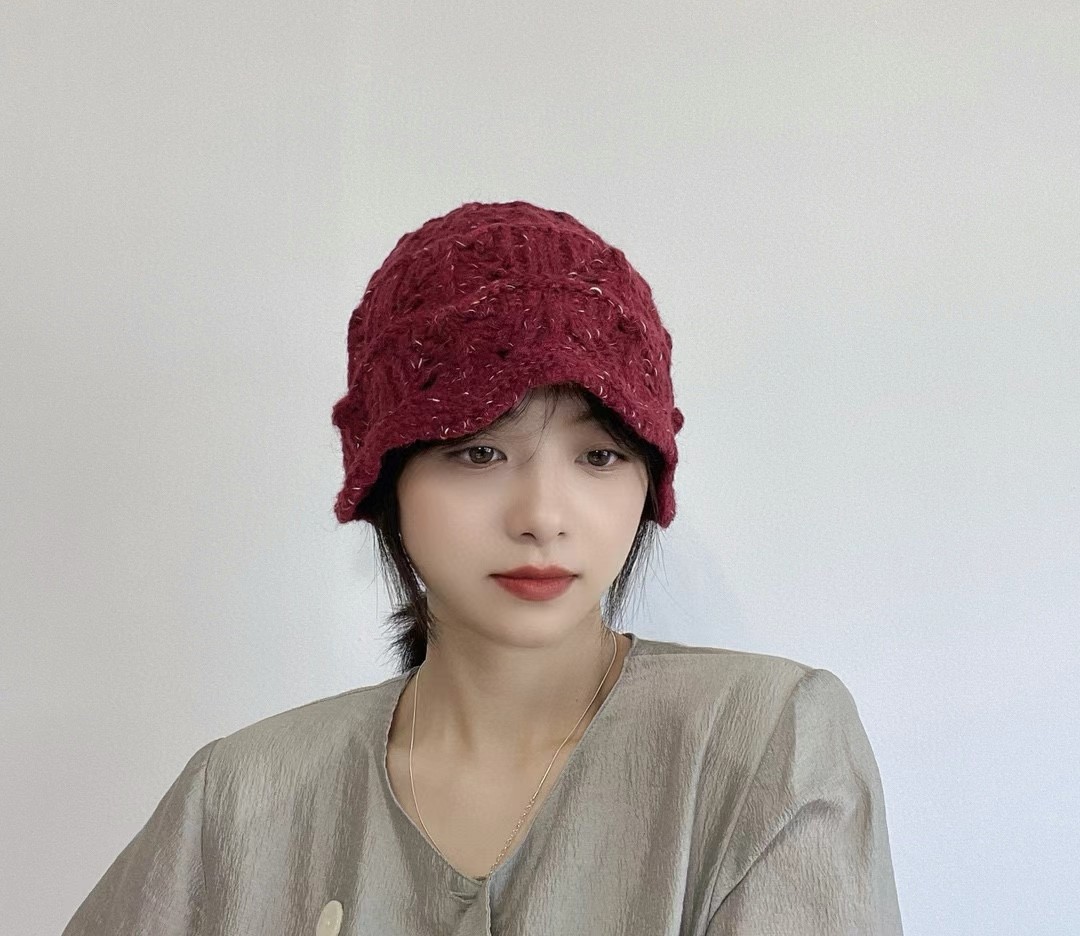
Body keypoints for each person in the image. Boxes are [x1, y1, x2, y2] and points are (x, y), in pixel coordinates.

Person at [61, 200, 904, 935]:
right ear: (388, 480)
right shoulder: (242, 796)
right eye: (478, 452)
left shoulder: (764, 745)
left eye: (599, 456)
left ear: (647, 481)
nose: (541, 516)